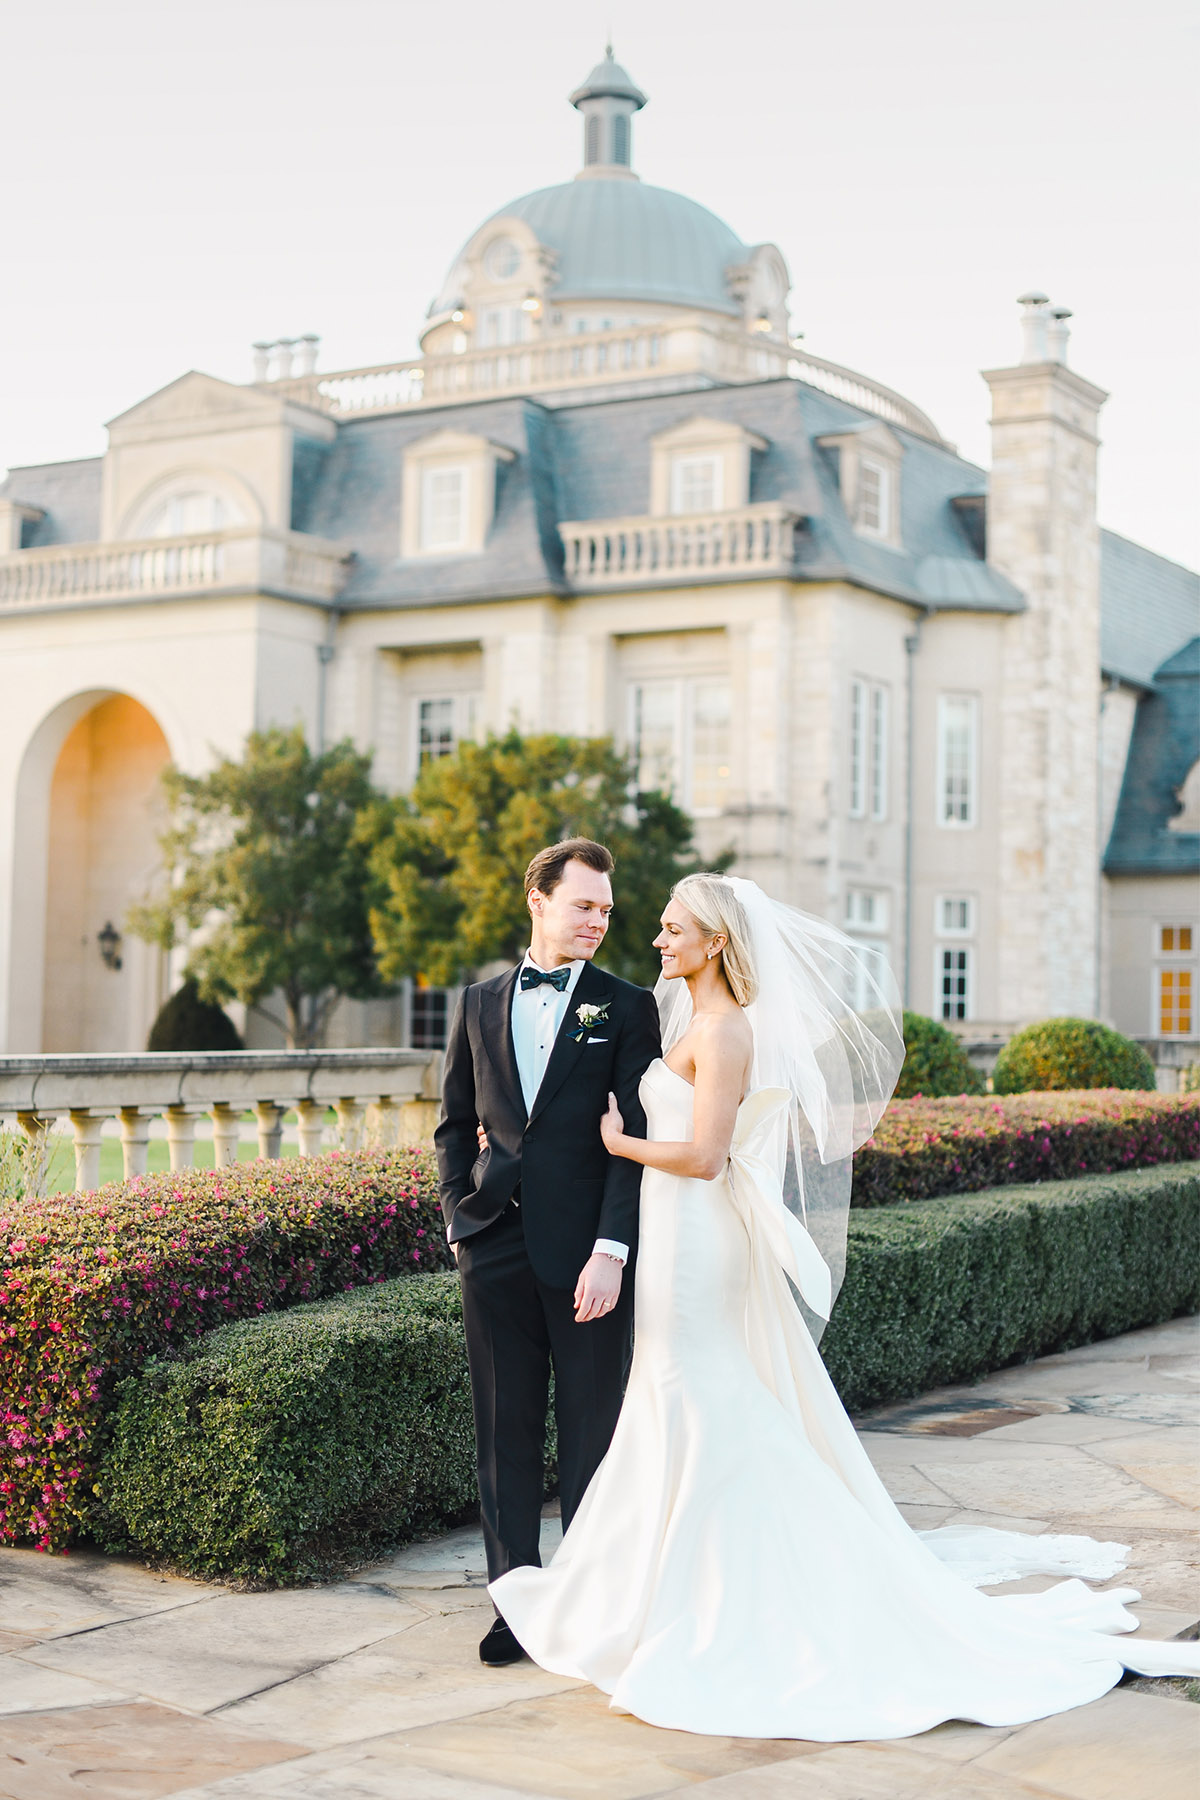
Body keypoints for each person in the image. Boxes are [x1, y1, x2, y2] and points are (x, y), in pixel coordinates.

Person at [490, 872, 1200, 1738]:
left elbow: (708, 1156)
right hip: (672, 1233)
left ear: (715, 941)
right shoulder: (686, 1020)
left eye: (673, 929)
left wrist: (620, 1142)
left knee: (696, 1392)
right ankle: (660, 1584)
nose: (658, 940)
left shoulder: (726, 1029)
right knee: (673, 1392)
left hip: (700, 1237)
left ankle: (724, 1584)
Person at [435, 837, 661, 1668]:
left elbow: (635, 1140)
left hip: (586, 1256)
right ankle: (515, 1605)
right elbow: (455, 1124)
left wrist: (612, 1250)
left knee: (592, 1434)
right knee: (504, 1432)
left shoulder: (627, 1006)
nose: (598, 921)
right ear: (538, 900)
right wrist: (458, 1218)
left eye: (606, 910)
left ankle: (589, 1601)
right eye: (583, 905)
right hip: (492, 1244)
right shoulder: (478, 1002)